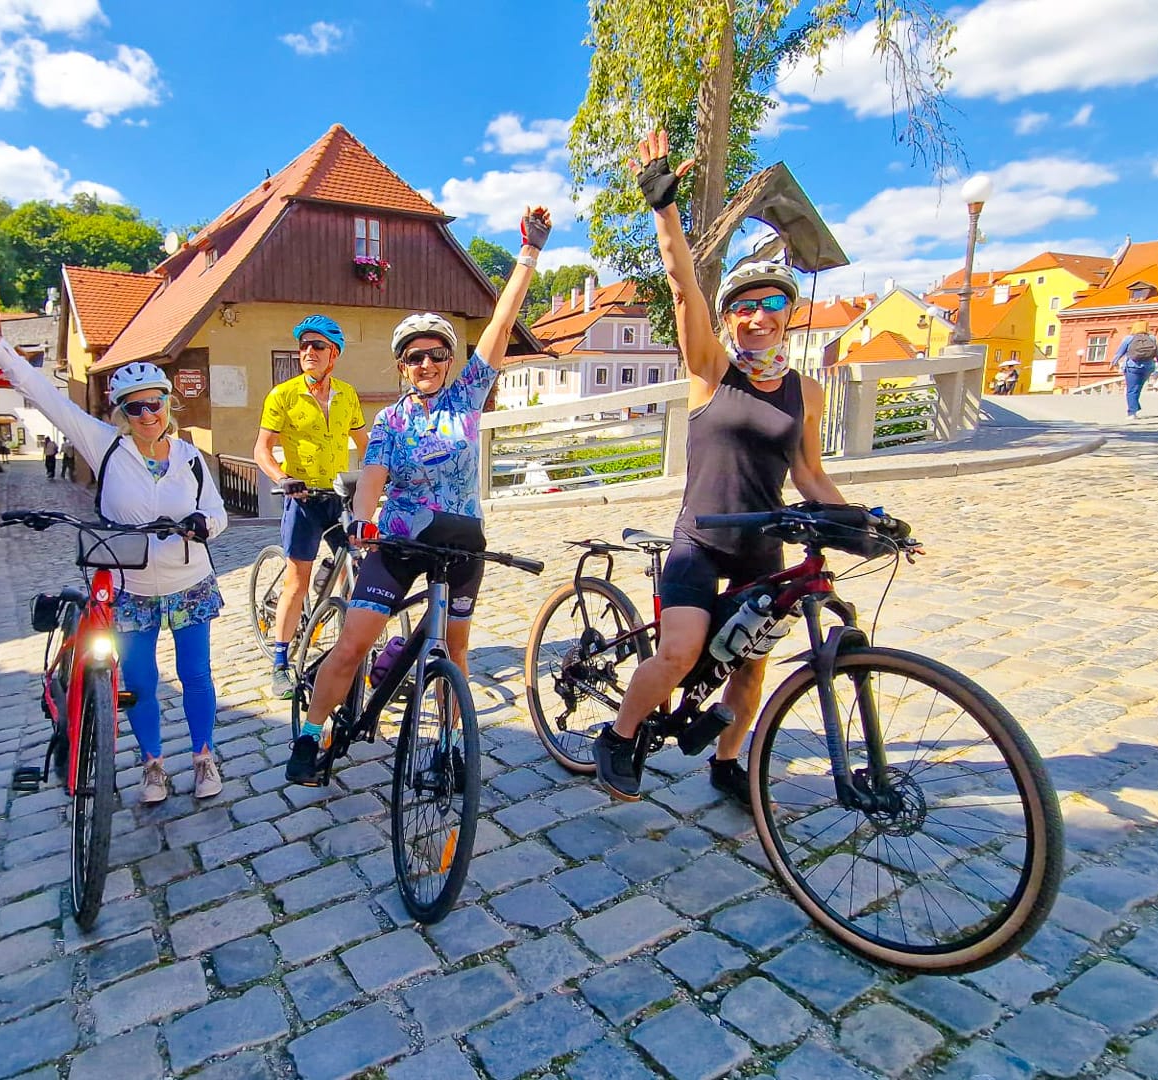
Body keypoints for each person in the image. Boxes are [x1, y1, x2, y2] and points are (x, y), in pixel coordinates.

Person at [593, 131, 859, 805]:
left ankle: (728, 758)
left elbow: (811, 475)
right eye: (744, 306)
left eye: (772, 304)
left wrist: (864, 520)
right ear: (729, 319)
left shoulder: (806, 390)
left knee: (749, 667)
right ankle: (621, 736)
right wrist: (664, 209)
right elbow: (684, 290)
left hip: (762, 545)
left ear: (789, 315)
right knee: (682, 650)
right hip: (702, 537)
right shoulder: (712, 372)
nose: (757, 317)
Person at [285, 207, 553, 785]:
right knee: (356, 640)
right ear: (402, 366)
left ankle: (453, 744)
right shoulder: (388, 422)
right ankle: (311, 734)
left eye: (436, 355)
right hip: (399, 541)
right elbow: (374, 478)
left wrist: (528, 254)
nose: (426, 364)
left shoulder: (466, 400)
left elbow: (502, 327)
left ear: (450, 363)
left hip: (462, 544)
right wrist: (361, 522)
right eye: (415, 357)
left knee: (454, 651)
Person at [0, 308, 229, 805]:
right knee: (142, 682)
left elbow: (217, 513)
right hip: (131, 588)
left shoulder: (190, 456)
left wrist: (202, 524)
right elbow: (45, 396)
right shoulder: (105, 446)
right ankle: (152, 766)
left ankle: (204, 756)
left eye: (155, 404)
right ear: (120, 413)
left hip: (189, 581)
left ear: (169, 404)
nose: (148, 416)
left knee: (197, 677)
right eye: (135, 408)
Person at [255, 314, 369, 700]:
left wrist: (379, 478)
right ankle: (281, 661)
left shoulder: (348, 395)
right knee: (296, 583)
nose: (308, 352)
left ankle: (352, 648)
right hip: (302, 499)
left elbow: (366, 444)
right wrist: (282, 478)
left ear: (334, 354)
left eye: (317, 346)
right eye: (303, 346)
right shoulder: (282, 395)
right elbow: (262, 450)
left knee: (356, 564)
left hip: (338, 497)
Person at [1113, 320, 1158, 418]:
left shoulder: (1129, 338)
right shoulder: (1152, 338)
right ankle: (1135, 407)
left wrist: (1113, 363)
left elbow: (1119, 353)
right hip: (1148, 367)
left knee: (1131, 390)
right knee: (1137, 388)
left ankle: (1132, 412)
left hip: (1132, 366)